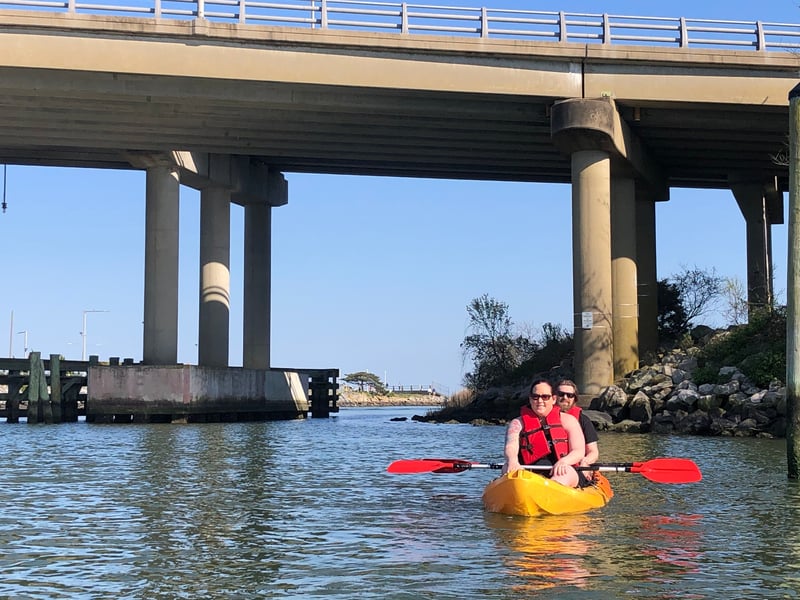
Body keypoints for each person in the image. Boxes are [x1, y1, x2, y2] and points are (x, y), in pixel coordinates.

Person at [502, 378, 585, 488]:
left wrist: (564, 461)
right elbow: (510, 446)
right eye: (535, 397)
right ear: (530, 399)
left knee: (565, 472)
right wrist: (513, 461)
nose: (540, 401)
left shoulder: (569, 421)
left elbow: (578, 451)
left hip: (562, 470)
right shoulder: (517, 423)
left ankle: (550, 490)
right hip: (528, 471)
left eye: (545, 397)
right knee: (507, 466)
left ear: (553, 399)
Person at [554, 378, 600, 472]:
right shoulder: (543, 418)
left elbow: (593, 451)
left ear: (575, 399)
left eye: (570, 395)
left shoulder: (583, 420)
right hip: (549, 466)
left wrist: (585, 462)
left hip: (574, 468)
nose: (565, 397)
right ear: (554, 396)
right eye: (561, 394)